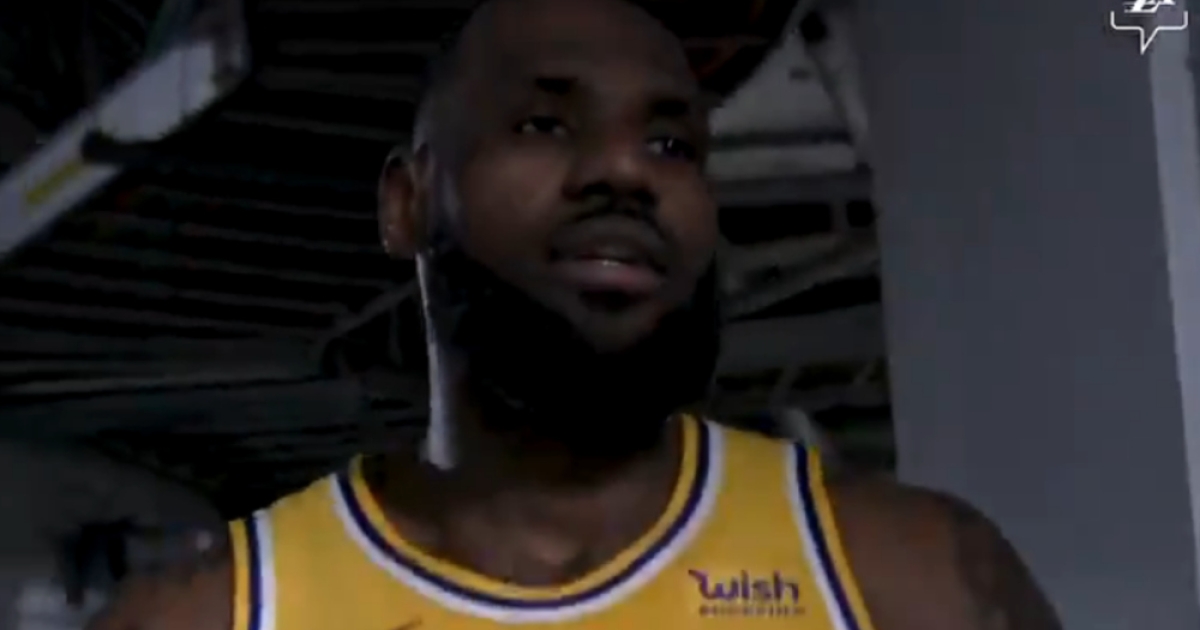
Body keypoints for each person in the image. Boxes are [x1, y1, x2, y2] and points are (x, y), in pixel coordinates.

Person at [87, 0, 1063, 629]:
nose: (624, 170)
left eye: (672, 144)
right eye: (544, 124)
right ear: (407, 202)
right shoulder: (213, 615)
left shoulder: (915, 579)